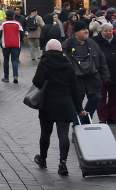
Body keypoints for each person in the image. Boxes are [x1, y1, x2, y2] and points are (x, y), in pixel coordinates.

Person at [32, 39, 86, 176]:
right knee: (63, 134)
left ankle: (43, 159)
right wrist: (79, 108)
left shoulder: (44, 62)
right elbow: (75, 88)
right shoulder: (67, 64)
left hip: (48, 103)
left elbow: (37, 81)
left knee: (45, 133)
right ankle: (63, 163)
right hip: (65, 103)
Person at [64, 22, 106, 124]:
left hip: (92, 78)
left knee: (97, 97)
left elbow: (101, 59)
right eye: (83, 29)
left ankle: (85, 118)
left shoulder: (92, 43)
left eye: (86, 29)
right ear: (76, 33)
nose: (87, 31)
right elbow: (62, 62)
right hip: (76, 80)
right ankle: (77, 126)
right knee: (76, 103)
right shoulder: (68, 44)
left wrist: (105, 76)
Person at [94, 18, 116, 125]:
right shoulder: (95, 41)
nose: (108, 33)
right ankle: (103, 117)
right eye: (106, 31)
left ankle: (113, 116)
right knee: (102, 97)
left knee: (115, 97)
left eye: (110, 31)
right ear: (101, 32)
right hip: (102, 73)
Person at [0, 12, 23, 83]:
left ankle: (6, 77)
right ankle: (15, 76)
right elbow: (21, 33)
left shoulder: (3, 23)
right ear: (13, 16)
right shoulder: (17, 23)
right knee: (14, 60)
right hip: (16, 44)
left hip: (6, 44)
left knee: (6, 60)